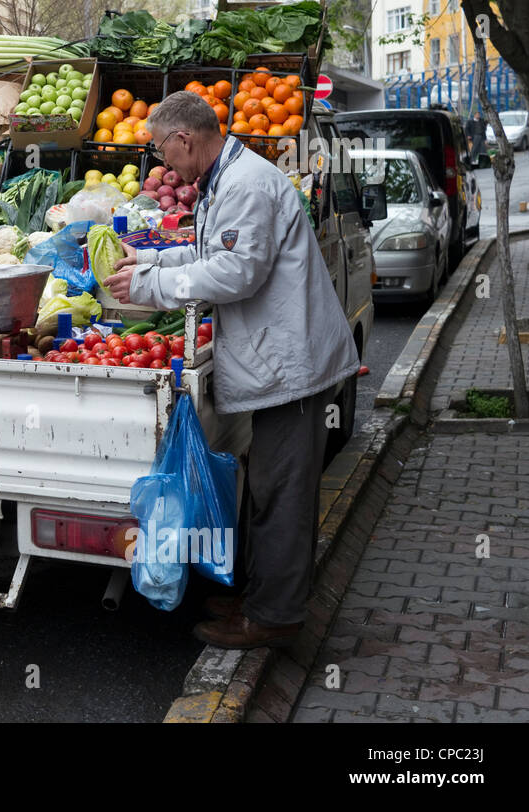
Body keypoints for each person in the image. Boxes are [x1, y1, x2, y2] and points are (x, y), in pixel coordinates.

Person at [103, 92, 360, 649]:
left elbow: (237, 273)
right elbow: (210, 251)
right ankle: (262, 597)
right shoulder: (226, 178)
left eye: (162, 151)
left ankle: (275, 618)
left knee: (283, 494)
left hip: (291, 367)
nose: (162, 162)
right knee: (267, 487)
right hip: (279, 362)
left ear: (185, 139)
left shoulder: (245, 185)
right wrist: (150, 259)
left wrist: (151, 286)